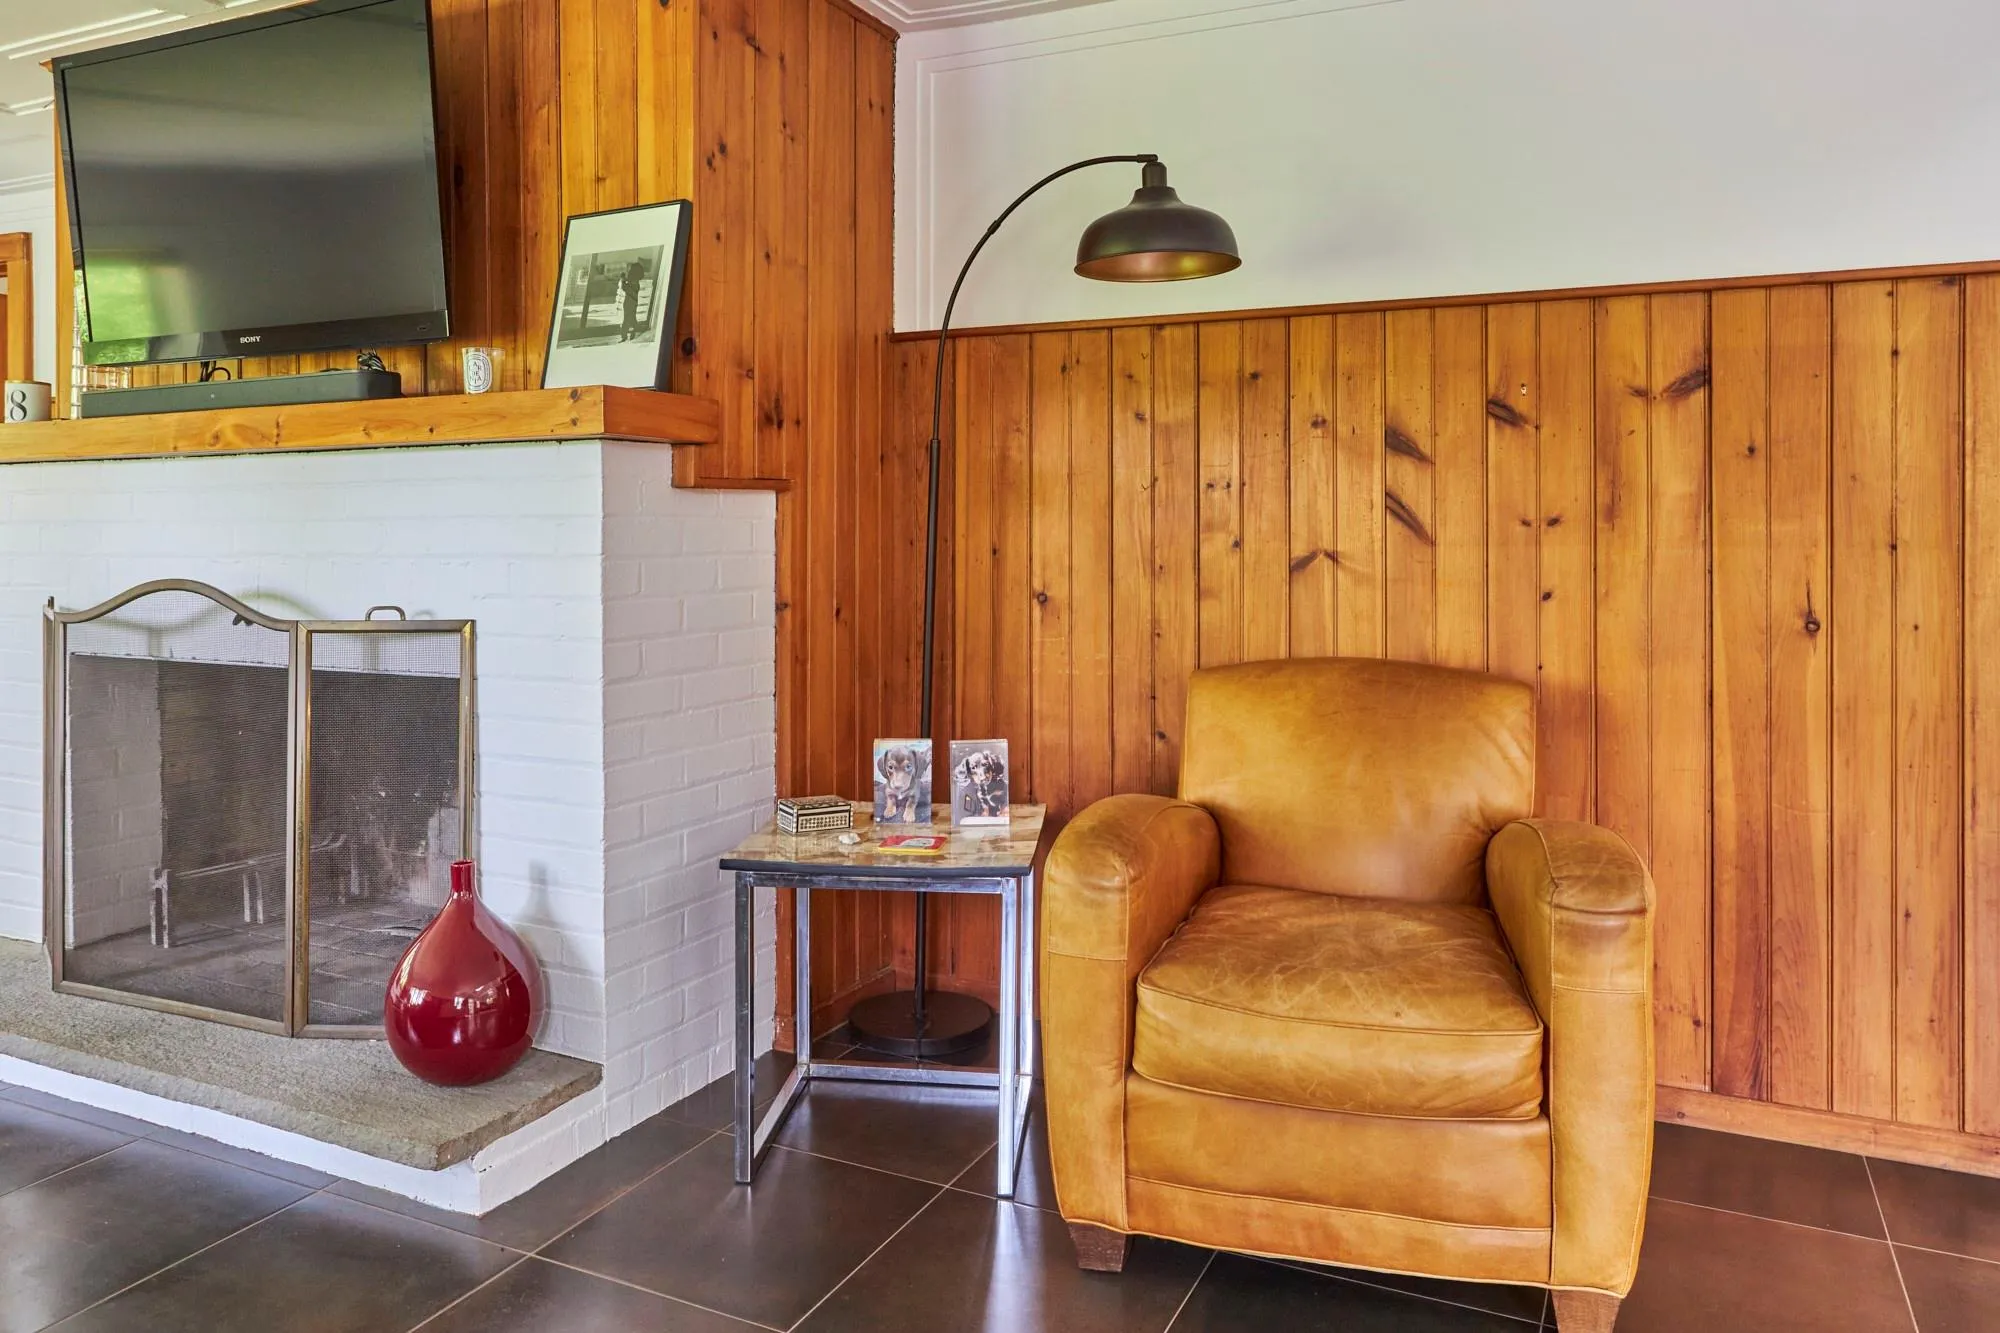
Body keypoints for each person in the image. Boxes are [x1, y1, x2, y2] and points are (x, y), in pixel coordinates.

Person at [620, 257, 648, 341]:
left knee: (627, 319)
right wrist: (624, 280)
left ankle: (624, 336)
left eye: (630, 270)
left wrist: (623, 281)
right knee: (631, 318)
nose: (629, 271)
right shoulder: (635, 281)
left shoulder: (633, 282)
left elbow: (626, 289)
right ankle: (632, 333)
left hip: (629, 302)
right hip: (632, 302)